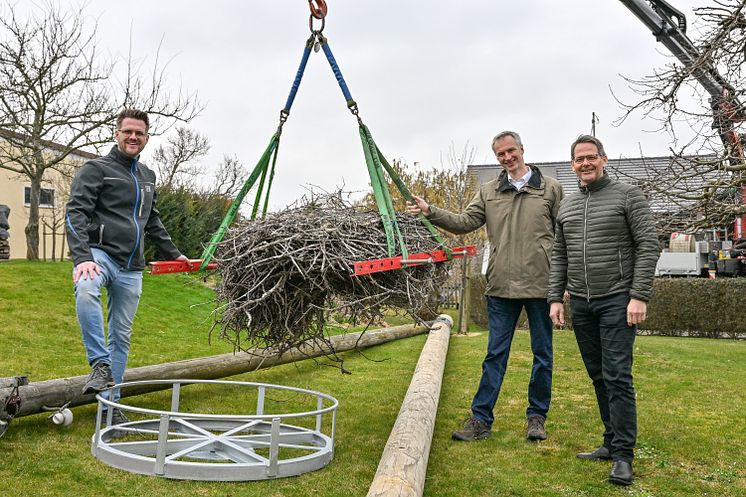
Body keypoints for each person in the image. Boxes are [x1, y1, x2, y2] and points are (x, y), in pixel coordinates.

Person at [407, 131, 563, 442]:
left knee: (542, 355)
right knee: (495, 355)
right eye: (501, 154)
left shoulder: (550, 189)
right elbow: (465, 222)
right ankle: (481, 420)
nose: (507, 157)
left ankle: (536, 418)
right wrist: (430, 211)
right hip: (501, 287)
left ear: (522, 149)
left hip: (541, 287)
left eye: (511, 151)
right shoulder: (489, 190)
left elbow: (564, 236)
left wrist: (562, 283)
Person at [547, 135, 659, 486]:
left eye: (591, 157)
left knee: (617, 376)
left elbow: (648, 244)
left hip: (617, 300)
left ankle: (624, 455)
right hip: (581, 302)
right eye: (579, 159)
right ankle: (610, 442)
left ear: (604, 159)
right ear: (572, 165)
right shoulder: (566, 206)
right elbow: (559, 255)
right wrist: (555, 298)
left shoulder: (628, 196)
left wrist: (639, 295)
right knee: (597, 374)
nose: (586, 164)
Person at [66, 109, 188, 424]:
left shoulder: (148, 176)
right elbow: (75, 213)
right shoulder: (96, 170)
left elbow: (153, 220)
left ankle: (111, 407)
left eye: (140, 133)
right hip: (100, 254)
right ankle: (99, 365)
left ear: (146, 138)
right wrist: (83, 259)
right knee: (86, 288)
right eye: (128, 131)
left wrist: (175, 254)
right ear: (117, 133)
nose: (133, 137)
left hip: (133, 266)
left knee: (121, 336)